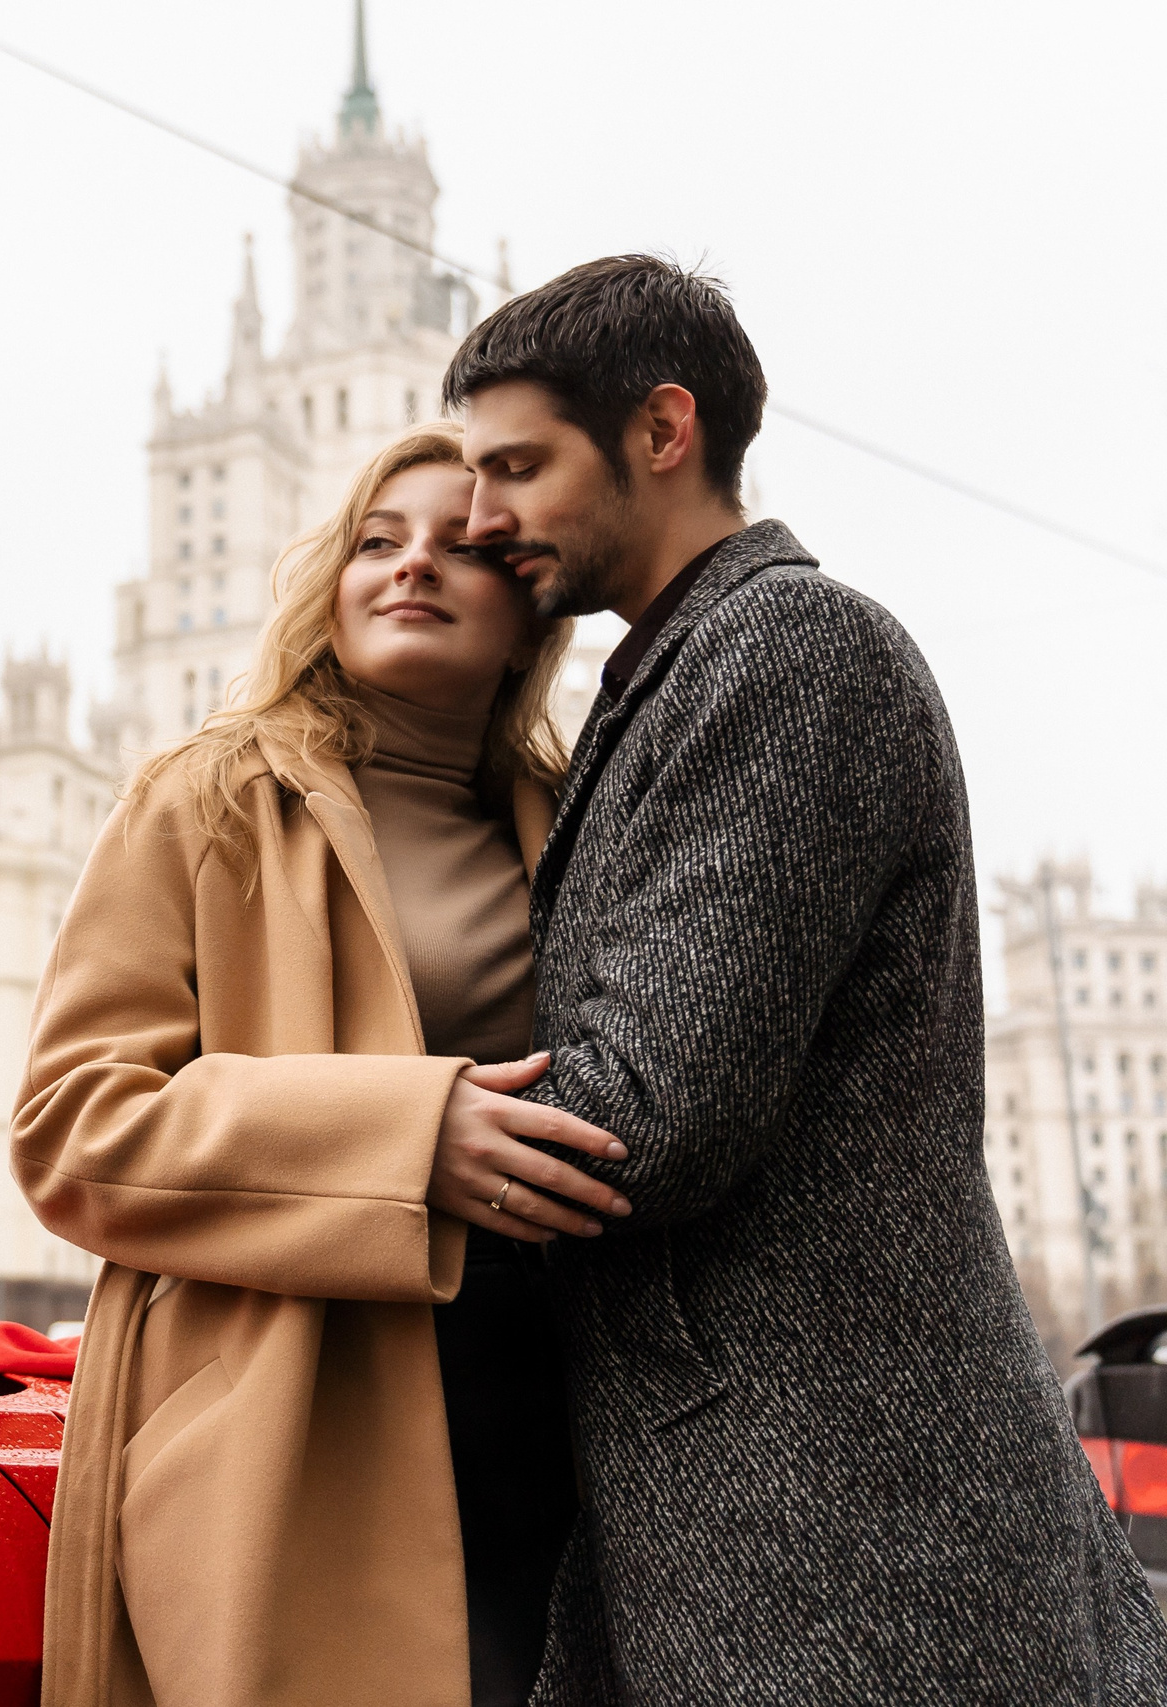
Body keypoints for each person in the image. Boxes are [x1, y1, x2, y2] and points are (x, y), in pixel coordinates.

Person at [444, 254, 1167, 1702]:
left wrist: (363, 1133)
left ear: (664, 429)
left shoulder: (794, 652)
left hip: (851, 1528)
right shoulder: (665, 673)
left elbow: (645, 1112)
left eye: (516, 465)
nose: (478, 518)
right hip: (751, 1514)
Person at [14, 420, 631, 1707]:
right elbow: (73, 1127)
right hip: (287, 1431)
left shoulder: (577, 814)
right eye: (374, 540)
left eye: (458, 546)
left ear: (528, 608)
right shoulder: (203, 795)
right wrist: (410, 1141)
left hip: (549, 1423)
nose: (408, 567)